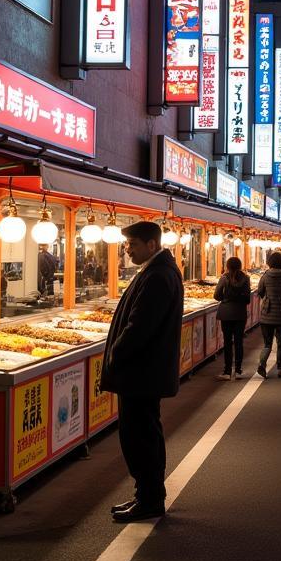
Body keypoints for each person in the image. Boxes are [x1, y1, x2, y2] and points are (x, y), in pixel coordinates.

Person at [101, 220, 184, 522]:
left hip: (141, 372)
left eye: (132, 245)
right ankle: (146, 495)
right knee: (142, 434)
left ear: (151, 244)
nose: (127, 250)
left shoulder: (158, 275)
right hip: (144, 371)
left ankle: (149, 499)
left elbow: (140, 326)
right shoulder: (157, 270)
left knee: (141, 437)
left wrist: (116, 354)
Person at [214, 256, 251, 380]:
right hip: (240, 313)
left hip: (226, 313)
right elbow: (247, 299)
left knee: (228, 342)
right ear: (240, 266)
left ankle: (227, 371)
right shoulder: (246, 278)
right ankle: (238, 370)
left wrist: (225, 298)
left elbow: (216, 296)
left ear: (227, 266)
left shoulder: (224, 278)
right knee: (239, 342)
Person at [256, 250, 281, 378]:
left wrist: (267, 298)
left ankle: (262, 364)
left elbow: (260, 291)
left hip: (267, 314)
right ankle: (280, 369)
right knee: (280, 342)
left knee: (267, 343)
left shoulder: (265, 276)